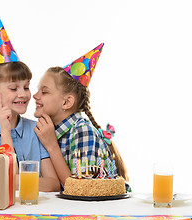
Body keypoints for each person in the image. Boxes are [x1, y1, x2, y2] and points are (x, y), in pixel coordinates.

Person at [0, 18, 60, 192]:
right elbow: (1, 184)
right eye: (13, 88)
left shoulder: (36, 129)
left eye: (26, 86)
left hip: (36, 212)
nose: (23, 94)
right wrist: (5, 132)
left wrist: (16, 180)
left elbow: (54, 184)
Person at [33, 43, 128, 186]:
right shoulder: (48, 131)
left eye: (44, 92)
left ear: (67, 102)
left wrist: (52, 146)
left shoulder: (82, 130)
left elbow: (82, 188)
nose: (35, 96)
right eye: (37, 90)